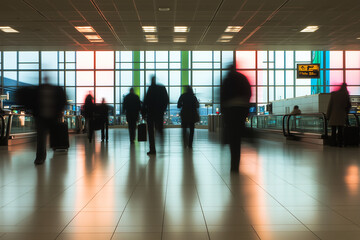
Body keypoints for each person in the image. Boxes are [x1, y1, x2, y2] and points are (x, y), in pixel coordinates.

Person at [220, 65, 251, 172]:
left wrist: (224, 112)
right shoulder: (242, 78)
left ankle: (234, 165)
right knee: (237, 137)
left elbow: (222, 97)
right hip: (241, 111)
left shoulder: (227, 80)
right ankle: (236, 164)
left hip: (230, 112)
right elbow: (248, 94)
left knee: (233, 137)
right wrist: (246, 109)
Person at [30, 77, 67, 165]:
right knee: (41, 137)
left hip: (49, 116)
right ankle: (40, 157)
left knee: (42, 137)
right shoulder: (51, 90)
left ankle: (41, 157)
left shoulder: (40, 90)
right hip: (43, 116)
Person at [143, 76, 169, 155]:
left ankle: (152, 149)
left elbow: (146, 101)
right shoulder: (162, 88)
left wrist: (144, 113)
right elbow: (166, 100)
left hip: (151, 113)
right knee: (160, 128)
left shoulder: (150, 89)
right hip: (159, 112)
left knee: (151, 132)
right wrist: (163, 109)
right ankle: (161, 142)